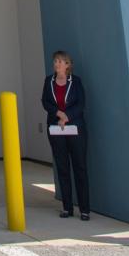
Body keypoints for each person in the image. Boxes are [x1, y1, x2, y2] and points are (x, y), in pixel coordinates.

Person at [41, 50, 90, 220]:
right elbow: (45, 101)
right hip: (56, 129)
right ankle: (67, 207)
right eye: (55, 61)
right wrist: (58, 114)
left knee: (80, 167)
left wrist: (67, 116)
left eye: (60, 61)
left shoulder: (75, 82)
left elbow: (80, 103)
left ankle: (84, 209)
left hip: (75, 129)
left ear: (68, 64)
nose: (57, 64)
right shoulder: (49, 81)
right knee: (62, 167)